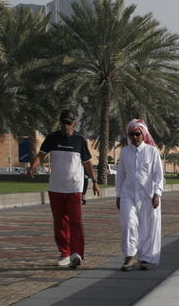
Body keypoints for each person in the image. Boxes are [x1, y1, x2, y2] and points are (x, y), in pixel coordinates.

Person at [27, 110, 100, 268]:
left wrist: (94, 181)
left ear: (73, 123)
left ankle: (77, 253)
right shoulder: (52, 138)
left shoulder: (80, 139)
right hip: (56, 187)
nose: (66, 126)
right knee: (60, 222)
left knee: (75, 220)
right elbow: (41, 155)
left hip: (74, 187)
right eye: (63, 122)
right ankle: (64, 253)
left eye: (69, 123)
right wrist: (32, 167)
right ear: (59, 122)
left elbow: (88, 162)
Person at [116, 119, 164, 272]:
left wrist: (157, 193)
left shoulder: (152, 151)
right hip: (128, 193)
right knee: (128, 223)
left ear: (143, 135)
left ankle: (145, 258)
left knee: (147, 226)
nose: (135, 137)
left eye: (137, 134)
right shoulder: (125, 152)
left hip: (147, 195)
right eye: (132, 134)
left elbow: (158, 174)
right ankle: (130, 256)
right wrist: (118, 194)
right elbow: (120, 174)